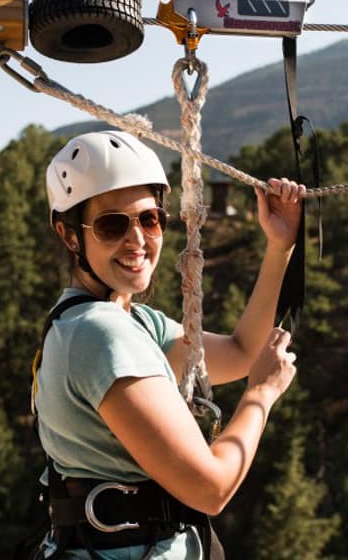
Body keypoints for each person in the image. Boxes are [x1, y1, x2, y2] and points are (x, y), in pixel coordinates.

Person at [34, 130, 304, 559]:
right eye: (111, 224)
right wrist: (261, 394)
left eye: (149, 219)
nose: (137, 239)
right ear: (70, 236)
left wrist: (280, 246)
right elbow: (210, 488)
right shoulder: (98, 333)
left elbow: (240, 352)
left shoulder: (132, 322)